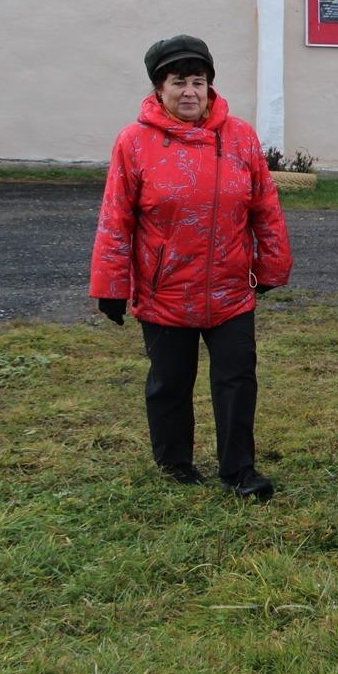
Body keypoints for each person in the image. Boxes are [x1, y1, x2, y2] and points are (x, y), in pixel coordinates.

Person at [90, 34, 292, 500]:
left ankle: (239, 470)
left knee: (237, 380)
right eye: (178, 82)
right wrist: (111, 285)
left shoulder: (239, 136)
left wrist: (273, 265)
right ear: (158, 89)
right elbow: (116, 217)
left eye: (197, 81)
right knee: (169, 382)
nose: (189, 92)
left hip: (230, 288)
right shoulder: (134, 142)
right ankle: (174, 461)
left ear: (210, 86)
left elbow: (265, 205)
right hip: (165, 290)